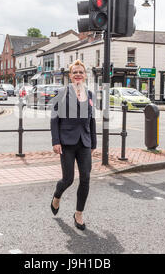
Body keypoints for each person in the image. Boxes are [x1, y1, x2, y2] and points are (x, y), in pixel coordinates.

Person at [50, 60, 97, 231]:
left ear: (85, 75)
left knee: (85, 178)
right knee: (68, 179)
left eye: (81, 72)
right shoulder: (62, 92)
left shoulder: (90, 94)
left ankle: (78, 213)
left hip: (84, 142)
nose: (78, 74)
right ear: (70, 76)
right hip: (67, 142)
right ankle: (57, 196)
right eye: (75, 72)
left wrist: (94, 141)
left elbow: (92, 119)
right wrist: (56, 141)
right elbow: (54, 119)